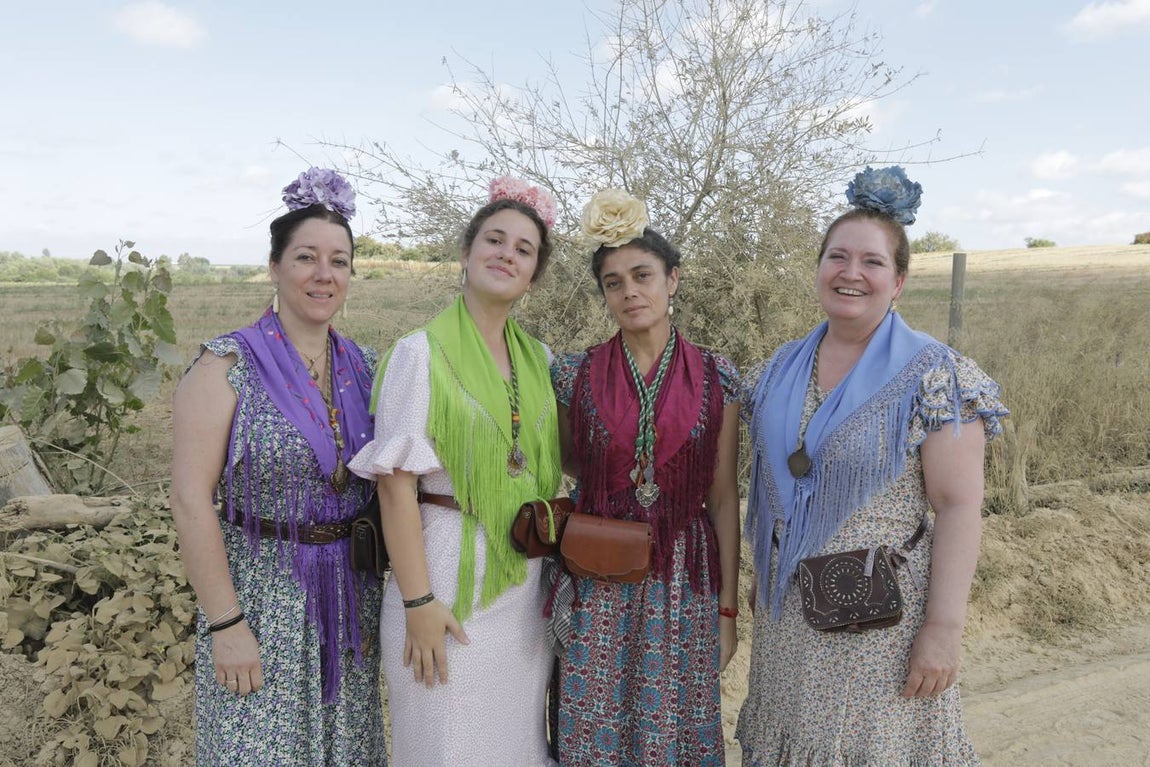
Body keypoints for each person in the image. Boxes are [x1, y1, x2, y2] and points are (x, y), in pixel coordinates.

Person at [735, 166, 1010, 765]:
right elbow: (781, 490)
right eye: (837, 256)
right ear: (819, 269)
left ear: (900, 281)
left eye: (872, 261)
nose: (851, 272)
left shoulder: (935, 376)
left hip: (880, 625)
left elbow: (958, 505)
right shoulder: (781, 368)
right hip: (790, 618)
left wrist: (944, 629)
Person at [170, 168, 385, 765]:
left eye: (339, 261)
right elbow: (191, 500)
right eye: (306, 257)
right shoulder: (225, 367)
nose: (324, 274)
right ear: (274, 266)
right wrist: (225, 623)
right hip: (261, 603)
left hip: (349, 605)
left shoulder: (366, 367)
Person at [347, 177, 561, 765]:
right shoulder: (419, 354)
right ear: (465, 253)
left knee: (515, 747)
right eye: (494, 240)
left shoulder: (538, 360)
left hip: (520, 589)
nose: (507, 255)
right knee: (447, 747)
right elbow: (396, 486)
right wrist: (418, 603)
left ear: (534, 274)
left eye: (524, 249)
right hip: (445, 583)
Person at [549, 189, 741, 766]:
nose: (630, 291)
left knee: (675, 730)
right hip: (601, 573)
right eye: (614, 282)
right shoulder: (575, 374)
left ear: (672, 280)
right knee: (595, 727)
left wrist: (729, 610)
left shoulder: (716, 375)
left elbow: (723, 496)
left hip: (684, 577)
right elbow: (572, 466)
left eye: (643, 275)